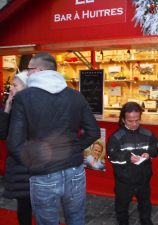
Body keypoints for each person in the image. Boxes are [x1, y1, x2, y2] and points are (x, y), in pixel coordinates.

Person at [6, 52, 100, 225]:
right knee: (76, 219)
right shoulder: (76, 95)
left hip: (44, 174)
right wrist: (73, 148)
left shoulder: (23, 98)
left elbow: (13, 144)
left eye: (29, 69)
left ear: (39, 70)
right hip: (75, 172)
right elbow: (94, 132)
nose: (27, 74)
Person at [107, 102, 158, 225]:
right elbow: (112, 156)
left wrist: (149, 153)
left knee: (145, 202)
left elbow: (155, 147)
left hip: (143, 177)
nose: (134, 124)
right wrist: (128, 158)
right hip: (124, 179)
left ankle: (146, 219)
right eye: (130, 121)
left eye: (137, 120)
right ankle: (123, 220)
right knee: (122, 203)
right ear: (123, 120)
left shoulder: (148, 134)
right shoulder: (116, 137)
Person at [0, 72, 32, 225]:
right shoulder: (11, 106)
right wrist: (6, 109)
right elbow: (1, 133)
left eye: (14, 85)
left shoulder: (34, 107)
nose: (10, 88)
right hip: (18, 166)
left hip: (32, 162)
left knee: (38, 203)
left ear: (25, 88)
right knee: (24, 203)